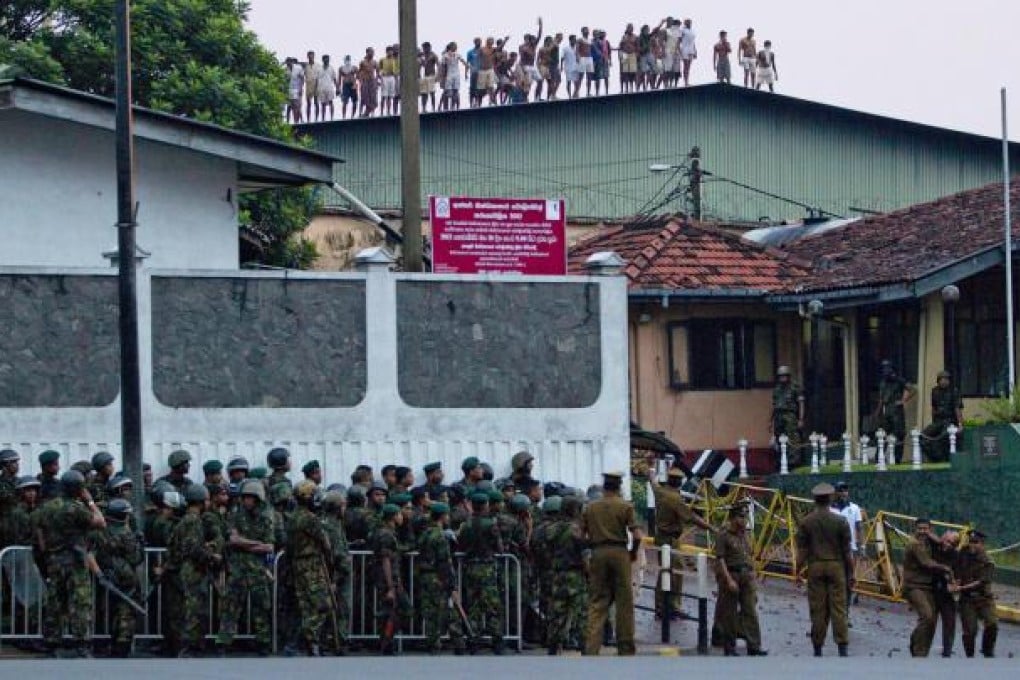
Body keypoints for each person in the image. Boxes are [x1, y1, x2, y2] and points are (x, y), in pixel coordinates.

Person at [35, 470, 106, 658]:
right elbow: (100, 522)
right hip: (75, 561)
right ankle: (82, 644)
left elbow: (40, 538)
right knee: (80, 602)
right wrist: (90, 502)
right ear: (78, 489)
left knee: (55, 602)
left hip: (53, 560)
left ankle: (52, 643)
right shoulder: (75, 508)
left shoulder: (46, 508)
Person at [581, 470, 642, 656]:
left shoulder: (590, 507)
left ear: (604, 486)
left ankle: (591, 648)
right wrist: (632, 552)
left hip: (598, 553)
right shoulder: (625, 506)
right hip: (619, 553)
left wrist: (590, 546)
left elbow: (579, 534)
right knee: (624, 602)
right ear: (619, 486)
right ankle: (625, 647)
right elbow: (637, 535)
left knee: (597, 602)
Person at [216, 480, 275, 656]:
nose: (246, 501)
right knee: (230, 607)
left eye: (250, 497)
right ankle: (224, 642)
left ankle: (263, 643)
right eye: (245, 497)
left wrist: (244, 543)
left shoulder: (266, 517)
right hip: (238, 569)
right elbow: (232, 540)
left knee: (262, 607)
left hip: (258, 569)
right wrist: (256, 543)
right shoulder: (236, 514)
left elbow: (269, 547)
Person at [796, 483, 853, 657]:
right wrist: (852, 574)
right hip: (837, 567)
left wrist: (797, 570)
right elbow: (847, 552)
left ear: (815, 500)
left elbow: (802, 551)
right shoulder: (840, 521)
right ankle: (842, 647)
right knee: (839, 609)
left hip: (815, 567)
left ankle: (817, 647)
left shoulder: (807, 522)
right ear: (830, 498)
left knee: (817, 609)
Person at [164, 483, 221, 657]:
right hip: (192, 570)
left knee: (189, 608)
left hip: (186, 569)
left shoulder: (186, 520)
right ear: (202, 501)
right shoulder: (193, 521)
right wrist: (212, 556)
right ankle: (190, 647)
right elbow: (193, 549)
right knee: (194, 610)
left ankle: (189, 646)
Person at [651, 467, 715, 618]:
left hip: (661, 537)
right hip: (670, 540)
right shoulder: (674, 498)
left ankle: (663, 606)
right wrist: (711, 527)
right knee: (673, 572)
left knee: (666, 570)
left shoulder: (660, 491)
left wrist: (651, 473)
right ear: (678, 482)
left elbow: (653, 483)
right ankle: (670, 606)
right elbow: (691, 517)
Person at [91, 498, 143, 657]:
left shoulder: (100, 532)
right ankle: (121, 647)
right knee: (125, 614)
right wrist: (140, 544)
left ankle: (103, 645)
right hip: (125, 578)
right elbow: (135, 558)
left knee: (107, 611)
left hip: (107, 576)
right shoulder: (126, 534)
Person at [289, 480, 335, 656]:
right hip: (312, 564)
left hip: (298, 564)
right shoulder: (309, 518)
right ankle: (303, 638)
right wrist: (331, 562)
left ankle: (310, 641)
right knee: (322, 604)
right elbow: (325, 543)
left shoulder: (293, 516)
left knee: (306, 605)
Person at [715, 502, 767, 656]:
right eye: (741, 517)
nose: (744, 520)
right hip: (732, 575)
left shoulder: (744, 535)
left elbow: (749, 555)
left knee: (750, 611)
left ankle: (754, 645)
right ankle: (729, 646)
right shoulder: (723, 535)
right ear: (732, 518)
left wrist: (754, 572)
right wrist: (728, 580)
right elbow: (720, 559)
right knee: (729, 613)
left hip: (747, 576)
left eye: (745, 517)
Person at [415, 502, 466, 654]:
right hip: (438, 576)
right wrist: (452, 585)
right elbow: (445, 562)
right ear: (443, 516)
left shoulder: (425, 534)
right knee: (448, 610)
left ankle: (433, 643)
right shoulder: (440, 536)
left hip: (425, 576)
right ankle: (458, 642)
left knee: (430, 611)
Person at [458, 491, 505, 653]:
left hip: (470, 567)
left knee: (474, 605)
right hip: (486, 567)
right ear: (485, 505)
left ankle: (473, 640)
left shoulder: (467, 524)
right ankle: (497, 641)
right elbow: (500, 548)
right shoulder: (491, 524)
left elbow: (461, 544)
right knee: (493, 605)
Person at [901, 518, 954, 657]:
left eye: (926, 529)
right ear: (915, 529)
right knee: (927, 616)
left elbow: (938, 541)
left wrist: (939, 540)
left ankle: (922, 653)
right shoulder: (914, 544)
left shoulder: (928, 541)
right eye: (920, 529)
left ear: (930, 530)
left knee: (931, 622)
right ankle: (916, 644)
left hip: (927, 586)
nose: (922, 531)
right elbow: (926, 563)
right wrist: (945, 568)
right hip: (913, 586)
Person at [951, 529, 998, 658]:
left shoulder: (988, 561)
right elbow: (955, 569)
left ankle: (987, 650)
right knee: (970, 630)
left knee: (992, 623)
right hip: (967, 600)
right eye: (970, 541)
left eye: (976, 542)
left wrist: (960, 588)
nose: (972, 545)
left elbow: (981, 582)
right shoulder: (963, 553)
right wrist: (955, 581)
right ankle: (969, 656)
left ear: (982, 544)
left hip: (984, 597)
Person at [371, 503, 411, 654]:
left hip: (390, 579)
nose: (402, 517)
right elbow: (386, 560)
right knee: (403, 609)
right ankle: (386, 642)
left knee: (392, 612)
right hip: (387, 580)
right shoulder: (386, 534)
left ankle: (387, 641)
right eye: (400, 514)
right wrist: (390, 587)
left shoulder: (388, 533)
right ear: (393, 517)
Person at [321, 489, 352, 654]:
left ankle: (333, 639)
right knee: (341, 608)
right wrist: (336, 577)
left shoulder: (333, 524)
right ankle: (339, 640)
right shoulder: (332, 526)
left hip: (335, 572)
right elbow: (337, 553)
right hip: (338, 573)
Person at [831, 481, 864, 619]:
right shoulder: (829, 509)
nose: (844, 493)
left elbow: (859, 527)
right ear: (835, 493)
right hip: (832, 551)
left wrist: (862, 546)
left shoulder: (855, 508)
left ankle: (845, 613)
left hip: (849, 550)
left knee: (848, 582)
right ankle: (834, 611)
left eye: (845, 490)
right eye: (840, 490)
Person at [874, 361, 916, 463]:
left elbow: (913, 390)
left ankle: (897, 459)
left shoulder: (899, 380)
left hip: (897, 410)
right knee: (883, 434)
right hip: (887, 409)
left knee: (899, 434)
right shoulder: (883, 383)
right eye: (884, 369)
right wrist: (877, 412)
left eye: (887, 368)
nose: (886, 371)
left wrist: (903, 400)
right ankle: (879, 458)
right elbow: (881, 398)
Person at [922, 370, 963, 462]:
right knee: (923, 436)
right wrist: (934, 423)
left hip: (950, 421)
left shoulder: (954, 391)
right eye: (942, 379)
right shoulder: (934, 391)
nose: (944, 381)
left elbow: (957, 409)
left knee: (943, 436)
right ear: (938, 380)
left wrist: (960, 424)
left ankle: (943, 458)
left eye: (946, 379)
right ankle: (934, 458)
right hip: (938, 421)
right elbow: (933, 408)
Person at [771, 366, 805, 467]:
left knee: (793, 438)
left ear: (788, 376)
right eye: (781, 376)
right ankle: (781, 460)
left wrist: (801, 419)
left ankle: (794, 462)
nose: (783, 378)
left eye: (784, 376)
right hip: (778, 416)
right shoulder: (777, 390)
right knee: (779, 438)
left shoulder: (795, 388)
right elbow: (774, 406)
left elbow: (801, 403)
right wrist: (771, 421)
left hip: (790, 415)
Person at [518, 17, 544, 101]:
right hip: (525, 67)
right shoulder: (522, 47)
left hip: (532, 67)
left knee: (540, 81)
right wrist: (522, 69)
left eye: (528, 38)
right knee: (527, 84)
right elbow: (521, 57)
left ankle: (537, 97)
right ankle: (525, 98)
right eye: (526, 38)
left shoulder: (533, 45)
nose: (527, 40)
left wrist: (540, 25)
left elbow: (539, 36)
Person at [358, 48, 379, 118]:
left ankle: (367, 114)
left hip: (372, 81)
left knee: (374, 101)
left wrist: (377, 80)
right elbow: (359, 72)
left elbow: (378, 71)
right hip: (365, 81)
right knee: (365, 98)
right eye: (371, 52)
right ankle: (361, 113)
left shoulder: (374, 62)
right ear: (367, 53)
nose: (372, 54)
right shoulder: (362, 62)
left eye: (373, 52)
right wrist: (360, 81)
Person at [418, 42, 439, 112]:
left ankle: (433, 108)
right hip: (424, 77)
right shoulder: (422, 55)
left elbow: (438, 65)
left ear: (429, 47)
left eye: (425, 48)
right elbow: (420, 65)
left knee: (432, 93)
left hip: (431, 76)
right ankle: (424, 108)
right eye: (423, 48)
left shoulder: (433, 55)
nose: (424, 49)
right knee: (424, 94)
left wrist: (438, 76)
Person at [379, 46, 399, 116]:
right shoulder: (382, 59)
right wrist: (380, 77)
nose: (390, 52)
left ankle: (388, 112)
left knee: (390, 96)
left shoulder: (394, 60)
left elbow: (396, 70)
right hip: (385, 77)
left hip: (392, 77)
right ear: (387, 52)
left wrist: (396, 79)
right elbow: (379, 69)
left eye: (391, 51)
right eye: (389, 51)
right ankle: (381, 112)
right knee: (384, 96)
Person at [618, 24, 638, 93]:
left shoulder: (635, 36)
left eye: (631, 28)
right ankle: (626, 88)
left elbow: (637, 45)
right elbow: (620, 46)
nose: (630, 29)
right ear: (627, 29)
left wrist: (637, 54)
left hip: (632, 54)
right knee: (625, 72)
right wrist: (620, 55)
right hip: (625, 55)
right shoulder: (624, 37)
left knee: (633, 72)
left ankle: (633, 87)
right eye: (629, 28)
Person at [284, 57, 304, 123]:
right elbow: (284, 81)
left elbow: (302, 79)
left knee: (297, 107)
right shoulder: (285, 70)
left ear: (292, 62)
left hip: (297, 89)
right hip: (289, 90)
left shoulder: (298, 68)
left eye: (289, 62)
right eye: (287, 62)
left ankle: (297, 121)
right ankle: (288, 121)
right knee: (290, 106)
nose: (288, 64)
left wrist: (301, 88)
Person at [318, 55, 338, 121]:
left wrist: (337, 88)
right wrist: (316, 89)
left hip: (329, 88)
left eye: (328, 59)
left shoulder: (331, 68)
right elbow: (316, 80)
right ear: (323, 60)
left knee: (331, 102)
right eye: (325, 59)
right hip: (321, 88)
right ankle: (323, 119)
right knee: (323, 104)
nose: (326, 60)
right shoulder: (319, 69)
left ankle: (332, 118)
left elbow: (335, 79)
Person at [304, 51, 322, 122]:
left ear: (314, 56)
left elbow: (319, 76)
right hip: (308, 84)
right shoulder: (306, 65)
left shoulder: (318, 65)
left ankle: (316, 119)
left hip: (316, 84)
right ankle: (308, 120)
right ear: (307, 56)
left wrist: (317, 85)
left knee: (316, 102)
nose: (311, 57)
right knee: (308, 103)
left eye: (312, 55)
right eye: (309, 55)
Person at [678, 19, 697, 87]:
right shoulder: (682, 30)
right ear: (685, 23)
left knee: (688, 66)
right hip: (684, 49)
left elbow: (693, 41)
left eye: (690, 22)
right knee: (685, 66)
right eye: (687, 22)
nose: (689, 23)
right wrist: (679, 50)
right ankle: (685, 82)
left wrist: (695, 50)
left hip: (691, 49)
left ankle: (687, 81)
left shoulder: (692, 31)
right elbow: (679, 41)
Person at [577, 27, 595, 97]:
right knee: (581, 76)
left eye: (587, 30)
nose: (587, 31)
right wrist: (577, 56)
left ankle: (588, 92)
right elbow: (577, 49)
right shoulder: (580, 40)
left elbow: (593, 50)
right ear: (582, 32)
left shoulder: (590, 40)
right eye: (585, 30)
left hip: (589, 58)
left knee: (589, 76)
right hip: (582, 58)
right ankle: (577, 92)